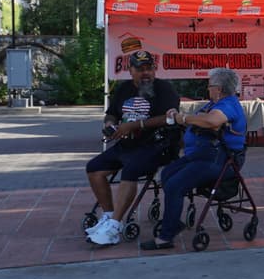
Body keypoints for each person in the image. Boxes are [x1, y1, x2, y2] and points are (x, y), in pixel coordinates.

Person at [84, 49, 182, 246]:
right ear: (131, 71)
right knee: (94, 168)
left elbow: (170, 117)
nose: (146, 73)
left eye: (149, 68)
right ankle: (109, 216)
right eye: (140, 69)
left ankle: (115, 227)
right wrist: (109, 125)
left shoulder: (165, 89)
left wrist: (135, 125)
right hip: (126, 144)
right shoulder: (124, 89)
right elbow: (111, 113)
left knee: (130, 170)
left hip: (157, 146)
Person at [144, 67, 248, 250]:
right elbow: (201, 118)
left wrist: (183, 118)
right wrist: (180, 117)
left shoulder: (228, 104)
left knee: (176, 184)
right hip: (203, 155)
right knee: (167, 174)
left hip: (222, 160)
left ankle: (166, 237)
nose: (208, 88)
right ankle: (174, 221)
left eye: (210, 85)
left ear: (219, 88)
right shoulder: (213, 104)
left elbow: (211, 121)